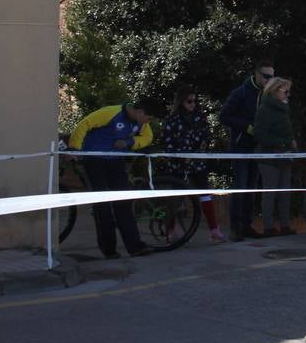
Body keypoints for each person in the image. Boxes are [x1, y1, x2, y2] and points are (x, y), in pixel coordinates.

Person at [67, 99, 163, 258]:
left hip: (116, 162)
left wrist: (130, 142)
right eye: (149, 118)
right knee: (102, 206)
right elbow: (84, 124)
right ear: (140, 111)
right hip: (94, 162)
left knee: (124, 203)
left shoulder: (141, 123)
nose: (149, 122)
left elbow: (147, 138)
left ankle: (135, 247)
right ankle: (109, 250)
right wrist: (74, 148)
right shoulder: (111, 113)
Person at [160, 87, 224, 243]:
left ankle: (214, 230)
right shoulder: (171, 120)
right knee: (175, 199)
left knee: (205, 197)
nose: (193, 104)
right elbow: (167, 144)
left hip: (198, 165)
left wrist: (198, 150)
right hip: (178, 167)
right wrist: (181, 159)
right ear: (181, 102)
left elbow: (206, 137)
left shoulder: (200, 118)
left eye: (195, 101)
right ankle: (171, 230)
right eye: (189, 101)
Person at [220, 60, 274, 240]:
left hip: (258, 147)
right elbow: (224, 116)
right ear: (257, 74)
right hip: (241, 146)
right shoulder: (240, 93)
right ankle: (236, 228)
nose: (269, 80)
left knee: (251, 187)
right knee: (240, 186)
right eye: (266, 76)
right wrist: (246, 127)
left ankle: (247, 225)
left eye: (272, 76)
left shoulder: (268, 95)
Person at [253, 77, 297, 236]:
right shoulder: (265, 109)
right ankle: (268, 227)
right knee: (270, 192)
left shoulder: (283, 108)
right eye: (285, 91)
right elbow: (259, 134)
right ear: (274, 90)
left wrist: (289, 142)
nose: (287, 95)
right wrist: (282, 143)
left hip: (284, 155)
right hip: (269, 156)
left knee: (285, 191)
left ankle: (285, 225)